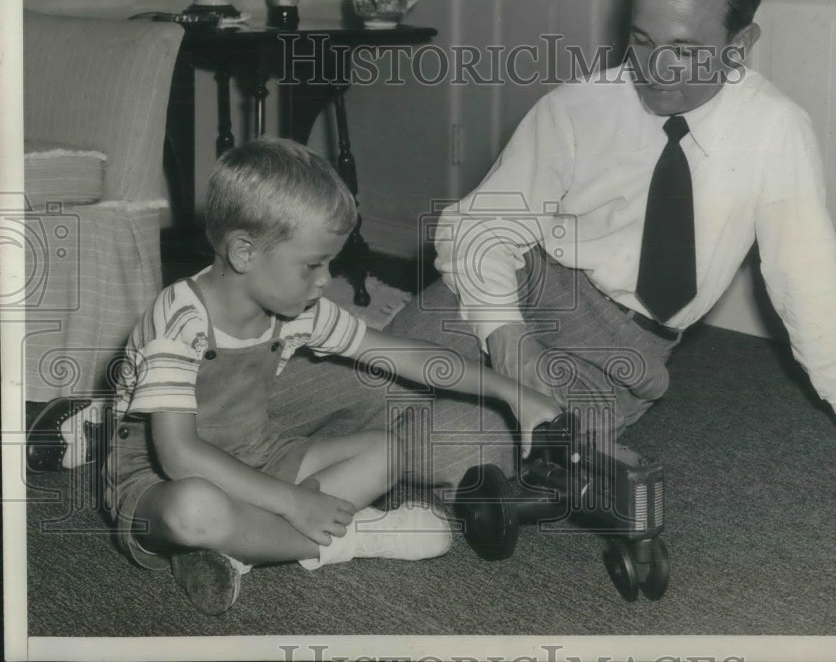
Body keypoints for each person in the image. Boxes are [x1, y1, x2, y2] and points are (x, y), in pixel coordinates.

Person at [387, 0, 836, 482]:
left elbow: (808, 282)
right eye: (642, 41)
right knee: (374, 375)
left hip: (623, 350)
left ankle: (366, 475)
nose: (656, 69)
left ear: (740, 44)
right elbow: (480, 228)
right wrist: (507, 335)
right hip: (530, 281)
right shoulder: (577, 107)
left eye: (685, 50)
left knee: (460, 448)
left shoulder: (775, 129)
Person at [104, 137, 561, 616]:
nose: (326, 280)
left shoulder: (296, 309)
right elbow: (179, 455)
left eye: (329, 263)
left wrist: (511, 391)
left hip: (258, 458)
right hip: (158, 483)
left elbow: (402, 355)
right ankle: (351, 538)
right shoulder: (178, 320)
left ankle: (239, 546)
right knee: (195, 509)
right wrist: (291, 503)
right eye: (312, 265)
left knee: (386, 451)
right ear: (244, 253)